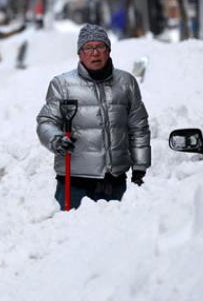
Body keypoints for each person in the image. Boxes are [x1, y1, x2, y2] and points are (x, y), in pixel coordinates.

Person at [36, 24, 151, 210]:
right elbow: (46, 122)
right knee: (71, 235)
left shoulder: (126, 82)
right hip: (74, 183)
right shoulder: (62, 84)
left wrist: (140, 166)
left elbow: (138, 126)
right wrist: (56, 139)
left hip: (115, 181)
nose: (95, 53)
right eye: (88, 48)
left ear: (108, 50)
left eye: (100, 47)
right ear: (80, 54)